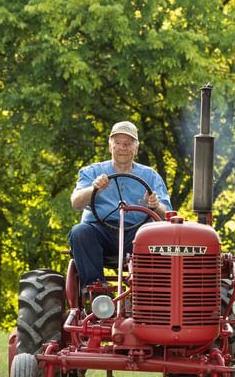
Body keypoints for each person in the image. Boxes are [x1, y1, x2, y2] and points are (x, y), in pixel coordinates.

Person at [68, 120, 172, 289]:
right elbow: (76, 202)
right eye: (118, 143)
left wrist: (155, 205)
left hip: (137, 235)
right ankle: (97, 291)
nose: (123, 147)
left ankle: (149, 292)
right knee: (79, 231)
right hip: (100, 233)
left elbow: (168, 216)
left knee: (159, 236)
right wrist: (94, 189)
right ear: (110, 146)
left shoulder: (150, 176)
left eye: (128, 143)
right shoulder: (92, 172)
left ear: (136, 148)